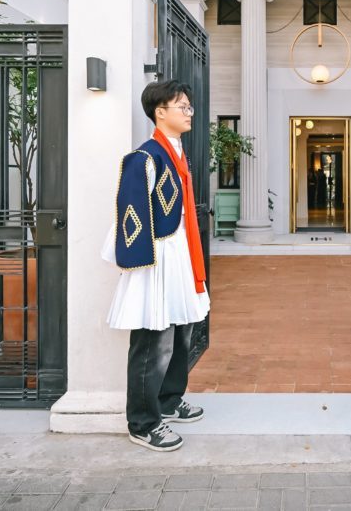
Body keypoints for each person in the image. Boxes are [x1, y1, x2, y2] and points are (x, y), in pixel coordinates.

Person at [102, 79, 210, 452]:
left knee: (181, 330)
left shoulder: (177, 153)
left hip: (179, 254)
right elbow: (129, 213)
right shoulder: (145, 157)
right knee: (154, 338)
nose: (189, 112)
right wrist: (141, 266)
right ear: (159, 111)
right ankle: (143, 422)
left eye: (189, 107)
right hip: (156, 258)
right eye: (182, 106)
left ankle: (168, 400)